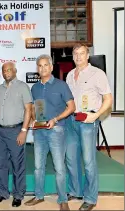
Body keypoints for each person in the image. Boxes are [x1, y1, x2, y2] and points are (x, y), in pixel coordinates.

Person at [24, 54, 75, 211]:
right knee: (38, 166)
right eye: (40, 66)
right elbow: (32, 108)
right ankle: (39, 195)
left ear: (51, 67)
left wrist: (55, 119)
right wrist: (33, 119)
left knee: (59, 167)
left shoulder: (61, 85)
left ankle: (63, 199)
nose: (43, 68)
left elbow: (71, 107)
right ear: (37, 69)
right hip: (39, 132)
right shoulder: (35, 87)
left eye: (46, 65)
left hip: (56, 131)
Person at [65, 44, 113, 211]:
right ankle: (75, 190)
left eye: (82, 53)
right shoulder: (70, 75)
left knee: (88, 161)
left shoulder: (97, 74)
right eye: (75, 54)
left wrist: (96, 115)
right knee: (71, 159)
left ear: (88, 56)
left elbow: (108, 99)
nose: (78, 57)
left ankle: (91, 198)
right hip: (71, 121)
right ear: (72, 56)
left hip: (88, 121)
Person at [0, 62, 32, 207]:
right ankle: (2, 193)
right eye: (4, 70)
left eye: (9, 69)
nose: (7, 72)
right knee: (1, 163)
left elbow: (29, 109)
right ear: (2, 72)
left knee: (17, 164)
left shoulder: (22, 87)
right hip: (0, 131)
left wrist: (24, 131)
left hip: (16, 130)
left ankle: (18, 194)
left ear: (15, 71)